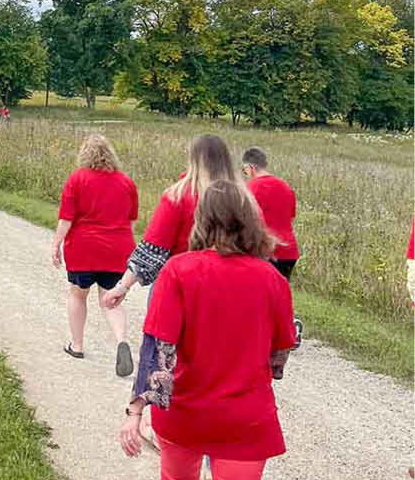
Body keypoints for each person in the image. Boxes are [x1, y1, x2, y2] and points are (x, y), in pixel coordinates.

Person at [119, 178, 294, 480]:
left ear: (202, 221)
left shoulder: (179, 272)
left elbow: (159, 351)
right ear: (252, 222)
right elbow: (279, 354)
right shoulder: (271, 279)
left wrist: (137, 409)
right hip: (247, 418)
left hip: (188, 412)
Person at [107, 134, 240, 310]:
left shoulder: (179, 196)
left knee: (162, 336)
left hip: (178, 284)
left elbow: (152, 250)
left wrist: (122, 287)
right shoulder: (240, 198)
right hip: (226, 288)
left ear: (193, 160)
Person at [54, 134, 141, 374]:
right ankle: (122, 341)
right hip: (117, 250)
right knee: (111, 300)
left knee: (78, 295)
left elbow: (66, 218)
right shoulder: (126, 183)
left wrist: (56, 244)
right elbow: (132, 221)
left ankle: (77, 345)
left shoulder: (77, 179)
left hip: (83, 249)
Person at [241, 148, 300, 280]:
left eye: (244, 171)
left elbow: (244, 221)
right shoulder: (286, 187)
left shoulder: (250, 188)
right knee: (280, 295)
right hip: (289, 252)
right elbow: (289, 218)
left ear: (250, 167)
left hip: (264, 251)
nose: (246, 174)